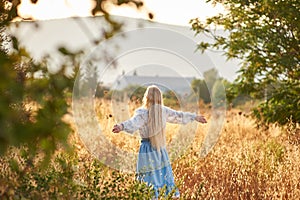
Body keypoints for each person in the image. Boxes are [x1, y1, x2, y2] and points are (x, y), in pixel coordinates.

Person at [112, 85, 207, 199]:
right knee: (162, 177)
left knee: (148, 179)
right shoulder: (163, 111)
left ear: (146, 97)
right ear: (160, 98)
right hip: (160, 149)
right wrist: (195, 117)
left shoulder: (142, 113)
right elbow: (178, 116)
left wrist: (121, 126)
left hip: (147, 149)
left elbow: (133, 123)